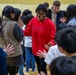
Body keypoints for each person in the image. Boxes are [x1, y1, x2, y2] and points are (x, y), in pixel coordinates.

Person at [23, 4, 56, 75]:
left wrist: (51, 43)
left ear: (46, 13)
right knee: (39, 68)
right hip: (35, 49)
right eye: (39, 14)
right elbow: (28, 32)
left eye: (43, 14)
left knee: (42, 69)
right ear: (36, 13)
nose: (41, 16)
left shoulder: (50, 23)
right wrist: (19, 31)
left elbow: (53, 37)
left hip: (44, 51)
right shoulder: (33, 20)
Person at [0, 5, 24, 75]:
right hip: (14, 52)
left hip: (3, 51)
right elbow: (20, 37)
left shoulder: (1, 23)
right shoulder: (14, 24)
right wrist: (21, 28)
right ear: (11, 14)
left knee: (4, 71)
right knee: (13, 72)